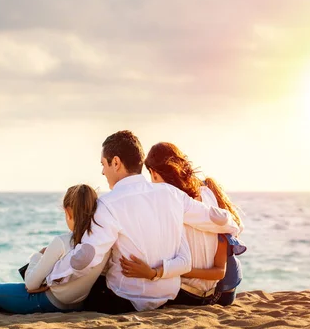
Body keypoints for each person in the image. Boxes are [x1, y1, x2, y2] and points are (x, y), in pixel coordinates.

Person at [46, 131, 242, 314]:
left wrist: (53, 276)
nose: (103, 172)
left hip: (123, 300)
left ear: (116, 162)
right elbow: (216, 218)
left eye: (103, 164)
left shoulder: (107, 204)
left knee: (96, 275)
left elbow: (88, 257)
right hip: (166, 298)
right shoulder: (170, 194)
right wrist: (233, 224)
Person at [0, 184, 110, 314]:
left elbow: (31, 285)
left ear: (69, 211)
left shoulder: (61, 242)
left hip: (48, 303)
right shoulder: (102, 244)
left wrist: (38, 255)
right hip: (76, 305)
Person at [119, 142, 245, 306]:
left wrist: (155, 272)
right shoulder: (208, 194)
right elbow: (220, 269)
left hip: (189, 296)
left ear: (154, 173)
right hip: (223, 295)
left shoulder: (169, 203)